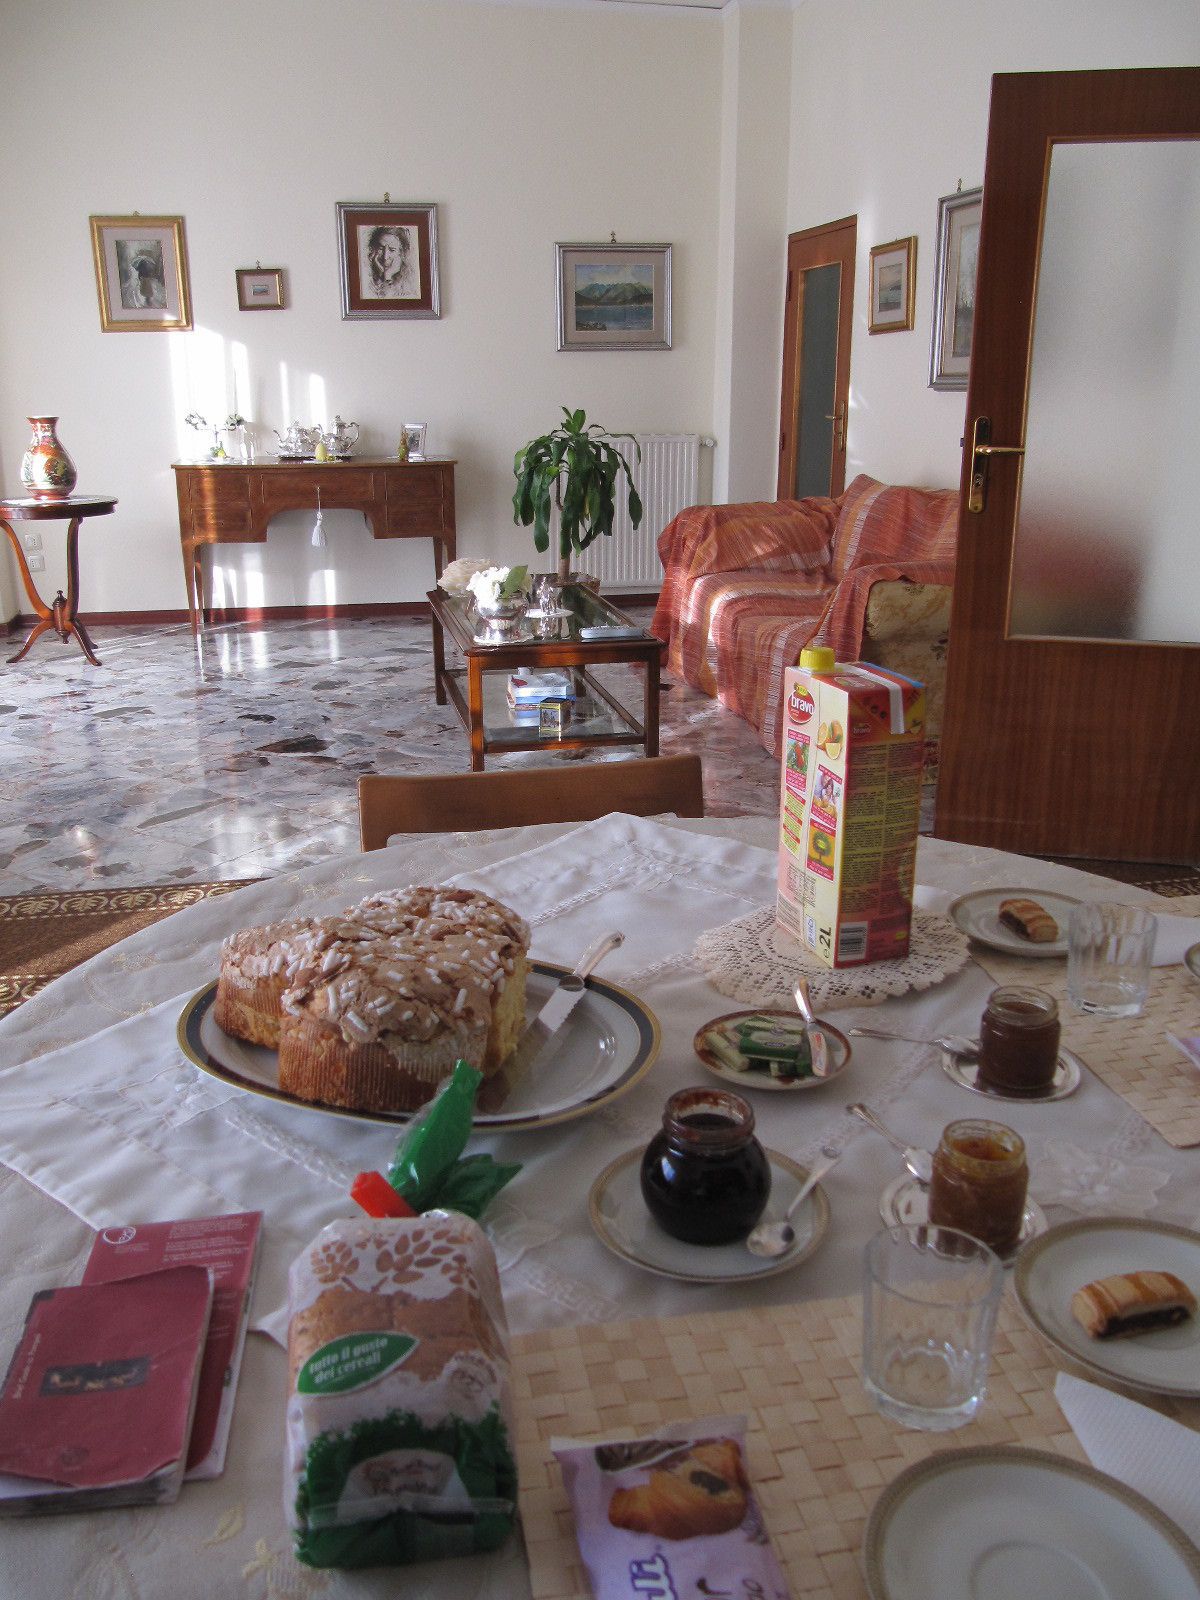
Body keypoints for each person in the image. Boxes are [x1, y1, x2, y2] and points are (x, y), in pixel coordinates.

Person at [364, 224, 415, 298]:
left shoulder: (410, 281)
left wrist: (387, 276)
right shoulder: (367, 276)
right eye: (381, 248)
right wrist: (385, 275)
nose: (385, 257)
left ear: (401, 253)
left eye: (392, 250)